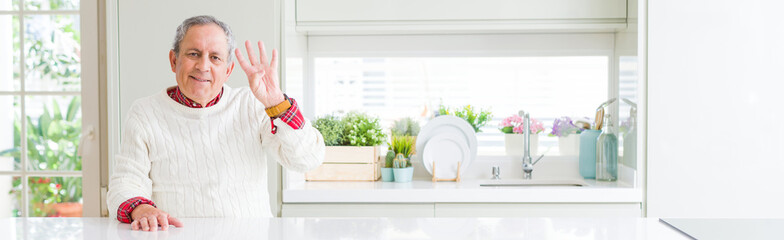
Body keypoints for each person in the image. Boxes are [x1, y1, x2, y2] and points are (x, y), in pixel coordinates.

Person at [107, 15, 325, 232]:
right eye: (194, 54)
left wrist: (276, 103)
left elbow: (308, 159)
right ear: (174, 61)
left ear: (228, 70)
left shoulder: (252, 104)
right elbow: (124, 183)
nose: (203, 66)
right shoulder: (145, 112)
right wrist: (142, 209)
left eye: (215, 58)